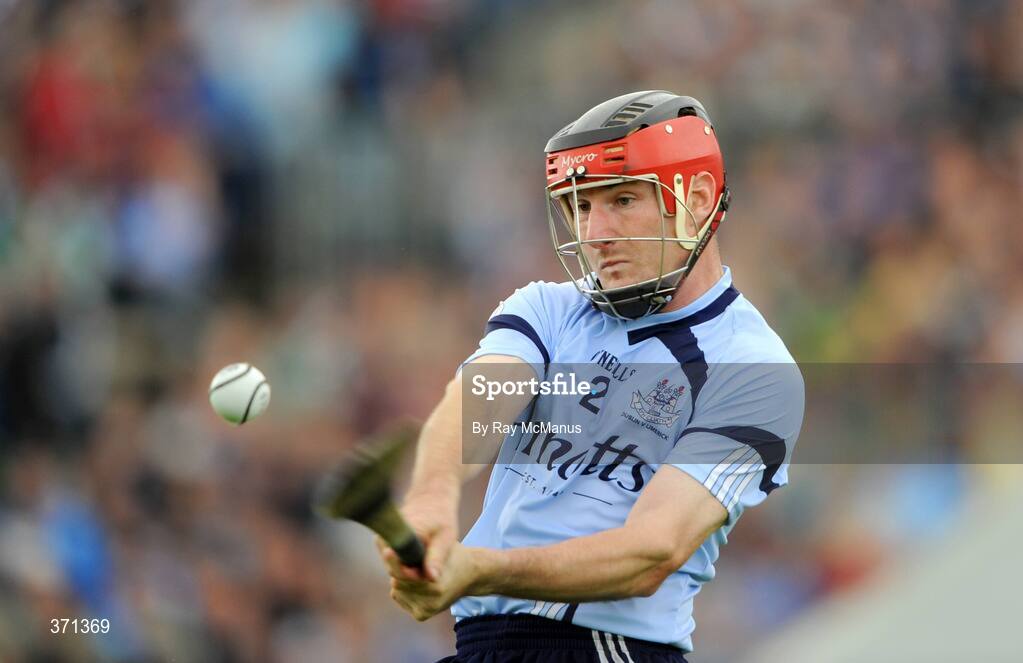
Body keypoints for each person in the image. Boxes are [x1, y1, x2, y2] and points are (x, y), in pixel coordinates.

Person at [377, 91, 805, 662]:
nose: (595, 232)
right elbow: (476, 405)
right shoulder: (548, 310)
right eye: (581, 207)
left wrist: (478, 569)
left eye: (623, 200)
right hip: (480, 646)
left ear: (697, 199)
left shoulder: (753, 367)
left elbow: (652, 551)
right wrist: (431, 497)